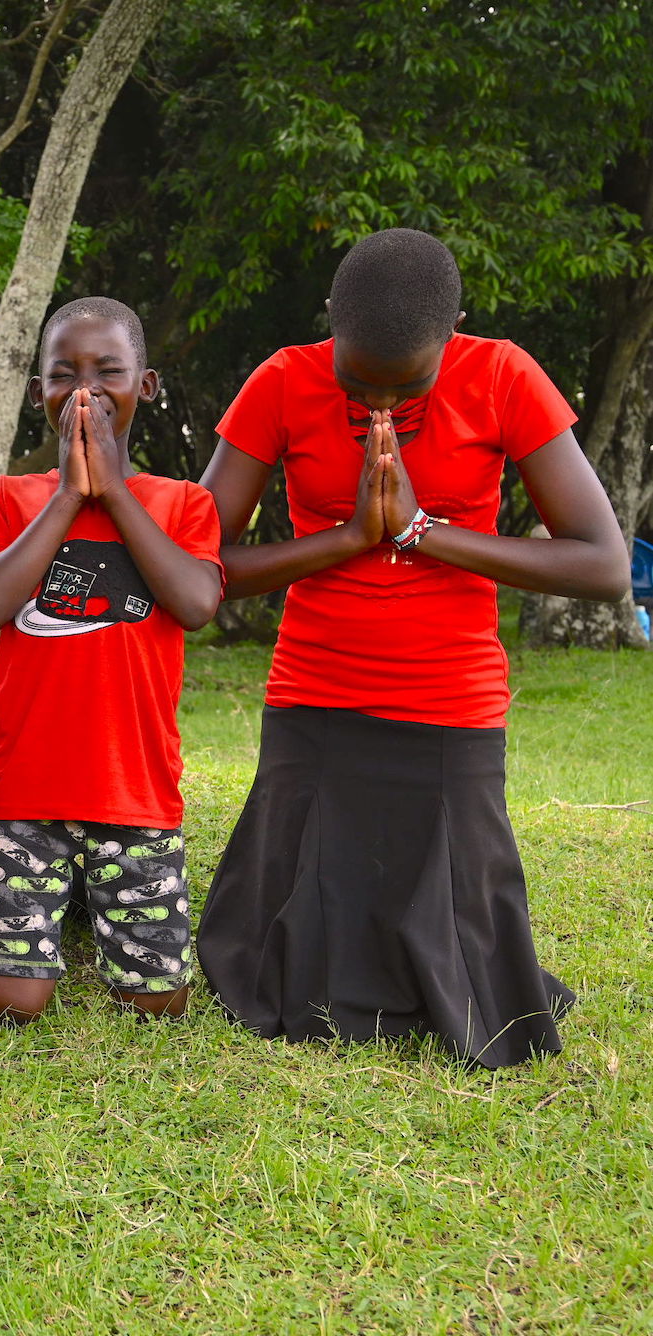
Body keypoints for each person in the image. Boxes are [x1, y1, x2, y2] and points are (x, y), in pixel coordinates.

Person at [197, 228, 632, 1067]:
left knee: (468, 950)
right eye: (356, 385)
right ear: (329, 321)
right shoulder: (282, 381)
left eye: (407, 386)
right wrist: (350, 536)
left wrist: (422, 532)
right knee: (282, 971)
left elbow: (602, 564)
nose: (377, 412)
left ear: (455, 329)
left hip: (448, 698)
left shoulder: (502, 375)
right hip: (314, 693)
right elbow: (199, 569)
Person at [0, 299, 222, 1024]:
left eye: (107, 371)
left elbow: (196, 602)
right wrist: (72, 493)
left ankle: (91, 915)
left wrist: (113, 489)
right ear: (37, 390)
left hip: (131, 789)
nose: (83, 390)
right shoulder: (12, 499)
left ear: (147, 385)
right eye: (61, 374)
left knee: (157, 1002)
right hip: (25, 793)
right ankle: (50, 920)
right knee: (10, 1007)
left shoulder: (181, 502)